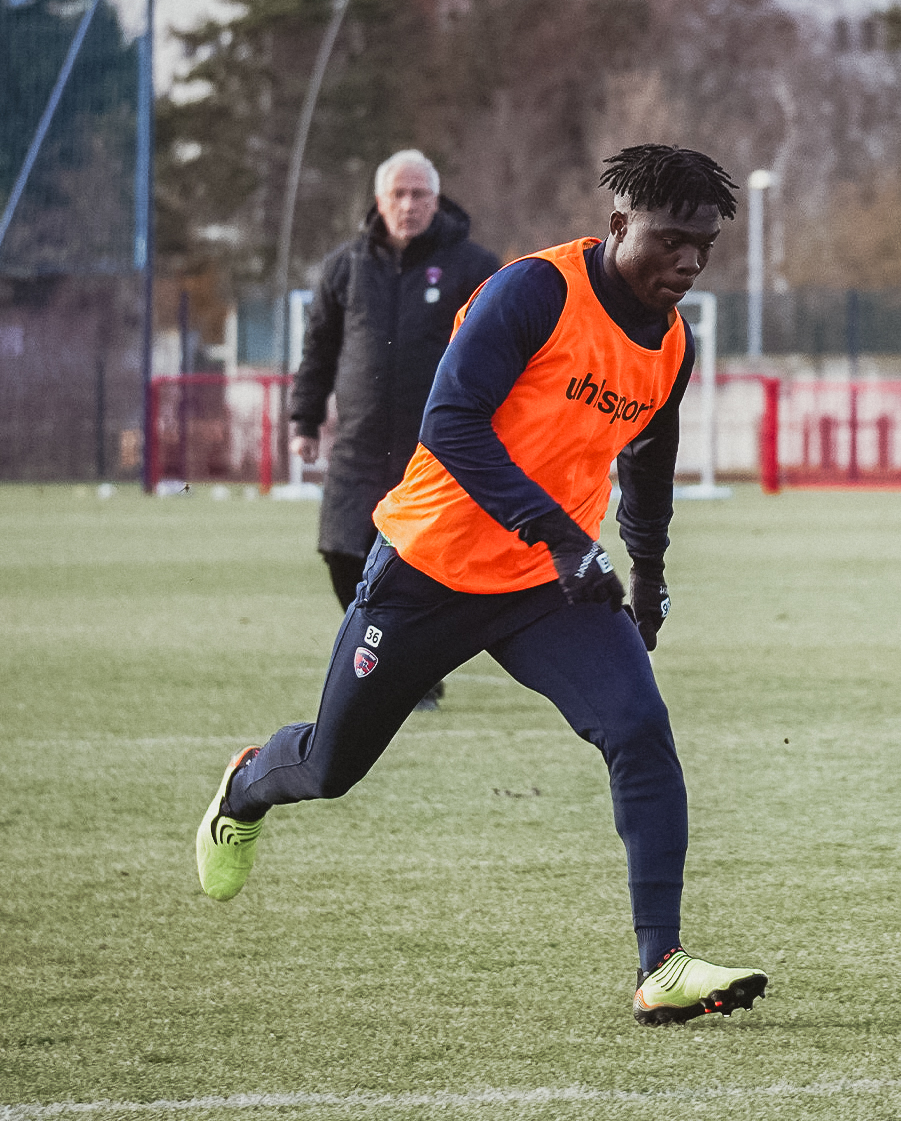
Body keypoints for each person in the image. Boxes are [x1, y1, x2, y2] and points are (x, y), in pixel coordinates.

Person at [197, 145, 768, 1026]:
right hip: (428, 569)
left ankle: (663, 963)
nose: (689, 262)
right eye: (672, 240)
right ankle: (244, 788)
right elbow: (452, 425)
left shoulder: (673, 344)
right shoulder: (533, 293)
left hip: (546, 586)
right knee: (330, 766)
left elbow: (650, 466)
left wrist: (648, 578)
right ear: (620, 226)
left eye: (705, 246)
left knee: (640, 729)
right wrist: (564, 538)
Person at [289, 150, 501, 708]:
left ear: (437, 199)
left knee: (421, 565)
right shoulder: (344, 267)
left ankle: (413, 674)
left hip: (434, 447)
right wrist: (304, 419)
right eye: (397, 195)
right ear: (379, 201)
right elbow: (319, 350)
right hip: (357, 444)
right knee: (341, 553)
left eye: (419, 195)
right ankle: (393, 663)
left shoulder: (475, 266)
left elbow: (506, 353)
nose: (408, 206)